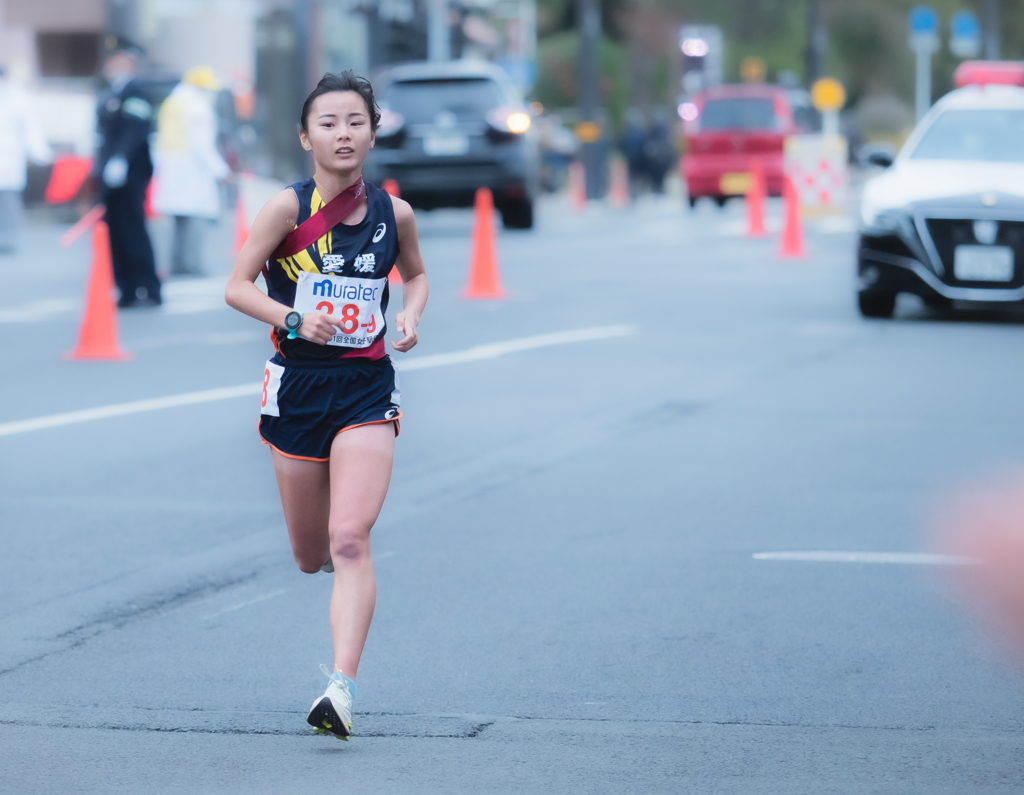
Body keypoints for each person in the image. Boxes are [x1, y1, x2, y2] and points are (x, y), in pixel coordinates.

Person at [224, 71, 429, 740]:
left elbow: (416, 275)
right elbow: (236, 286)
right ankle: (325, 577)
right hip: (298, 388)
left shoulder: (394, 214)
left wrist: (412, 314)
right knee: (311, 553)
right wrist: (289, 318)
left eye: (355, 122)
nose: (343, 133)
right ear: (305, 135)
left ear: (373, 131)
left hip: (366, 385)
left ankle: (340, 687)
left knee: (350, 537)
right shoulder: (285, 208)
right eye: (329, 123)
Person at [95, 38, 162, 307]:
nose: (111, 65)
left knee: (133, 230)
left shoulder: (135, 89)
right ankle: (128, 288)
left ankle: (149, 287)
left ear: (128, 62)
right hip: (111, 173)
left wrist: (120, 159)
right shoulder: (113, 90)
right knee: (116, 232)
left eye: (117, 60)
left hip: (130, 172)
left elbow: (136, 128)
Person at [153, 66, 231, 277]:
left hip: (173, 169)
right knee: (195, 219)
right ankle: (192, 265)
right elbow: (202, 145)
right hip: (192, 170)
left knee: (179, 220)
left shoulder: (173, 102)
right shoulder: (197, 107)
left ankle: (177, 264)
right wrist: (221, 170)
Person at [0, 66, 52, 252]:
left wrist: (40, 153)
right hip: (7, 157)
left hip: (8, 156)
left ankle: (7, 239)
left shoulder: (16, 97)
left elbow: (30, 127)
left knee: (8, 200)